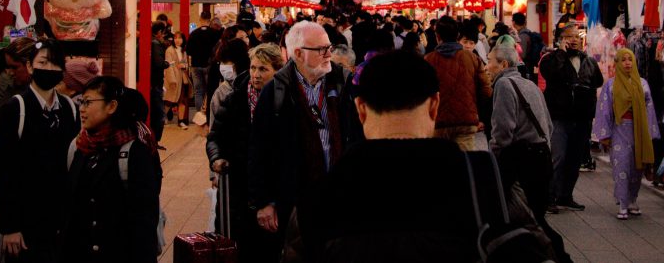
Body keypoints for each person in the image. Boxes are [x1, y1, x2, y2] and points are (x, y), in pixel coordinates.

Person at [283, 50, 568, 263]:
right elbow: (542, 247)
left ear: (360, 110)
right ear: (434, 106)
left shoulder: (320, 196)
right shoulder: (484, 181)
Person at [248, 22, 363, 257]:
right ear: (298, 53)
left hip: (340, 196)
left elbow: (359, 135)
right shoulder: (276, 93)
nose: (329, 54)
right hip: (294, 200)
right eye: (321, 49)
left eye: (328, 47)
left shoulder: (343, 84)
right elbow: (259, 150)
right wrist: (264, 201)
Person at [0, 39, 80, 262]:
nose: (49, 69)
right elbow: (4, 171)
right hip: (25, 222)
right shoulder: (15, 108)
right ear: (30, 66)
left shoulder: (70, 108)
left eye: (55, 64)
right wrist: (9, 226)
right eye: (43, 62)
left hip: (60, 220)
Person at [63, 76, 161, 263]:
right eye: (81, 102)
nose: (82, 109)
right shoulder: (79, 147)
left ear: (111, 106)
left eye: (89, 102)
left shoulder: (133, 153)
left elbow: (144, 221)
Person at [208, 43, 286, 261]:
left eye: (263, 69)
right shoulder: (235, 98)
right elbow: (215, 136)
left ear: (277, 71)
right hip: (238, 188)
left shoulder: (285, 101)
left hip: (271, 190)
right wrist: (216, 158)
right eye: (253, 68)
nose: (256, 75)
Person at [488, 42, 556, 236]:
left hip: (522, 161)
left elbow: (502, 132)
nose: (486, 66)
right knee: (536, 215)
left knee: (522, 218)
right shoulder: (530, 84)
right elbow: (548, 126)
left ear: (503, 65)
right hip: (542, 156)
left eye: (489, 61)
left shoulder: (503, 84)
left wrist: (493, 161)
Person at [539, 27, 602, 212]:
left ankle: (565, 195)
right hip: (559, 117)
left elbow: (597, 81)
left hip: (581, 118)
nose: (574, 40)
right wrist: (561, 54)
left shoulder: (587, 60)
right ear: (560, 40)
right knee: (557, 158)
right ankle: (549, 197)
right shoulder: (551, 59)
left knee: (574, 160)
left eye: (577, 36)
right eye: (569, 37)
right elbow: (550, 74)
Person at [593, 48, 659, 220]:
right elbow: (605, 110)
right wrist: (604, 134)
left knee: (637, 167)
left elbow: (649, 110)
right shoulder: (611, 85)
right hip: (619, 129)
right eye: (623, 60)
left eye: (630, 59)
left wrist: (651, 134)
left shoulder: (642, 84)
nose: (627, 63)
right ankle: (622, 202)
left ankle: (632, 199)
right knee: (621, 166)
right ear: (618, 63)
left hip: (639, 130)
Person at [425, 16, 491, 151]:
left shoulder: (428, 60)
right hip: (466, 121)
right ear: (457, 35)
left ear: (437, 36)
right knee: (465, 164)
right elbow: (485, 90)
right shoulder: (472, 58)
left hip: (437, 121)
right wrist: (477, 113)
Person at [187, 19, 222, 119]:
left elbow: (188, 50)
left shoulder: (194, 33)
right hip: (208, 66)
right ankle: (208, 114)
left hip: (195, 66)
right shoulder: (214, 34)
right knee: (209, 90)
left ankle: (199, 115)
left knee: (198, 91)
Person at [148, 21, 170, 140]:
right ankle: (155, 140)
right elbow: (158, 63)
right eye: (163, 32)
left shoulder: (149, 42)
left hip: (151, 82)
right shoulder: (155, 44)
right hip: (155, 83)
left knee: (154, 112)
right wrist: (166, 64)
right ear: (159, 32)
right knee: (159, 114)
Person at [165, 30, 190, 128]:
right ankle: (163, 118)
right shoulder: (169, 50)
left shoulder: (184, 51)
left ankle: (181, 121)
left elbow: (187, 64)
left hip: (183, 78)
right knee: (169, 100)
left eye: (180, 38)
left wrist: (184, 66)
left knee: (182, 100)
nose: (177, 40)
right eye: (175, 38)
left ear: (183, 39)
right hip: (174, 78)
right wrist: (172, 80)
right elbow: (168, 66)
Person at [511, 13, 544, 82]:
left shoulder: (522, 36)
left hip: (526, 67)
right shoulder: (528, 33)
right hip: (530, 65)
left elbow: (522, 55)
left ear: (513, 22)